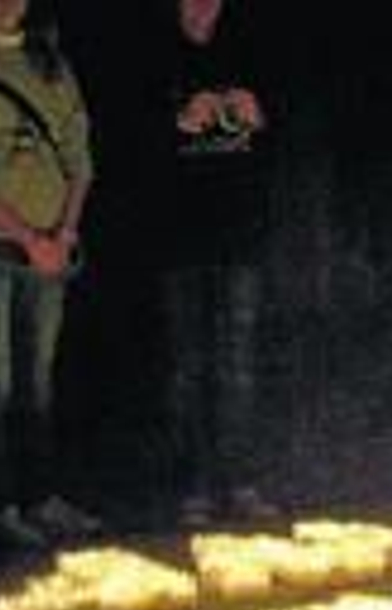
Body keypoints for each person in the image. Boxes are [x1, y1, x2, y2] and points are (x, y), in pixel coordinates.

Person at [0, 0, 102, 550]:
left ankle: (41, 497)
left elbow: (79, 153)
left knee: (36, 382)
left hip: (51, 249)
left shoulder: (51, 64)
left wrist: (63, 234)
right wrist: (29, 238)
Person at [153, 0, 277, 527]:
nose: (204, 7)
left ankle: (241, 482)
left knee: (238, 369)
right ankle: (193, 488)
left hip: (239, 237)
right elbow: (124, 146)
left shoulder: (249, 52)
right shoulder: (155, 57)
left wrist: (259, 115)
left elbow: (277, 139)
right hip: (178, 239)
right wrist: (179, 119)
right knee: (187, 369)